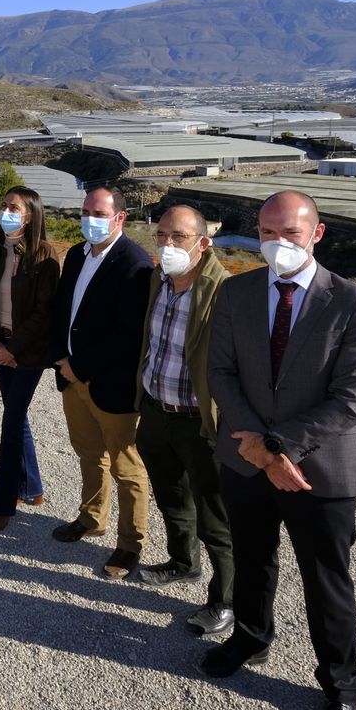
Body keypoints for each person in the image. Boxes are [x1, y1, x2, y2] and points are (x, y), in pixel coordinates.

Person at [202, 190, 356, 710]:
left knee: (326, 580)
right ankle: (251, 639)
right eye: (266, 232)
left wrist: (280, 446)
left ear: (317, 233)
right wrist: (259, 450)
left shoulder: (354, 303)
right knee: (252, 558)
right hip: (246, 460)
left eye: (290, 233)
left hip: (320, 472)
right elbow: (221, 372)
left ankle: (341, 689)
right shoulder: (237, 292)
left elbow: (354, 397)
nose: (276, 244)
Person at [131, 204, 235, 636]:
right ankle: (183, 563)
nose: (167, 245)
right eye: (160, 236)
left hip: (200, 422)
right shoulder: (159, 280)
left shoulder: (224, 292)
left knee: (216, 516)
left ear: (203, 243)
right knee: (172, 495)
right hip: (158, 411)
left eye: (178, 237)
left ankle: (225, 600)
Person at [50, 186, 153, 580]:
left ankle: (130, 544)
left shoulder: (135, 264)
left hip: (111, 386)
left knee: (127, 469)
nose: (89, 219)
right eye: (85, 210)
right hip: (72, 378)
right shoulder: (77, 254)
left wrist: (82, 366)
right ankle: (92, 518)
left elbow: (129, 335)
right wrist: (62, 360)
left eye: (99, 213)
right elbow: (64, 310)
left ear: (120, 218)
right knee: (89, 454)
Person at [0, 186, 60, 533]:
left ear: (30, 214)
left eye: (14, 207)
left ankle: (3, 502)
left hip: (28, 355)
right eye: (4, 205)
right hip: (0, 349)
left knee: (10, 424)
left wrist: (13, 349)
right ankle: (33, 488)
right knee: (16, 415)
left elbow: (44, 313)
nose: (6, 211)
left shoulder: (45, 256)